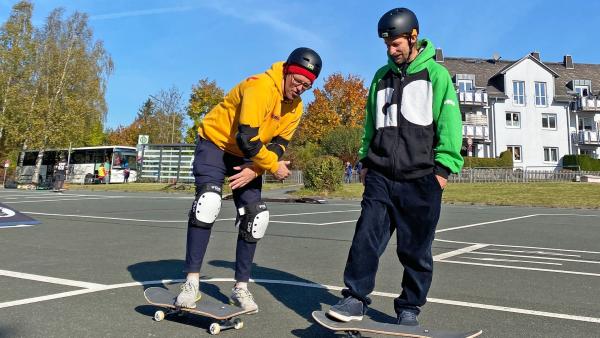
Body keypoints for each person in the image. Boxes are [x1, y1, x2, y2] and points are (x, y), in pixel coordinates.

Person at [326, 8, 463, 326]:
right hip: (381, 175)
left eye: (396, 43)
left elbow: (450, 125)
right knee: (365, 238)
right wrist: (364, 160)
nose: (391, 50)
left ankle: (409, 308)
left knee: (416, 250)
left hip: (421, 179)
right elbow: (370, 123)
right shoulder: (380, 77)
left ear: (413, 37)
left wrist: (442, 170)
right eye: (387, 45)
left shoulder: (437, 76)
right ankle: (354, 298)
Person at [175, 47, 322, 313]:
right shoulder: (261, 86)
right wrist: (270, 167)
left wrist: (256, 170)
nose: (301, 88)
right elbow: (247, 138)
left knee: (257, 217)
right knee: (208, 203)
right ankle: (191, 283)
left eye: (307, 86)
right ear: (287, 71)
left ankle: (240, 288)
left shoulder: (296, 107)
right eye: (298, 81)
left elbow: (279, 144)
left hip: (247, 157)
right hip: (216, 144)